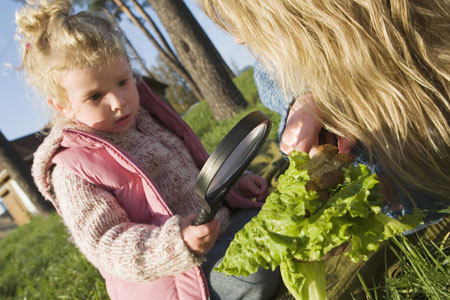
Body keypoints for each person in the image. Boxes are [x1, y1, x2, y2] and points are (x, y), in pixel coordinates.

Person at [17, 1, 280, 299]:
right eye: (95, 96)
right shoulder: (73, 169)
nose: (118, 101)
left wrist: (233, 182)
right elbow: (107, 243)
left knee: (277, 220)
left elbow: (195, 167)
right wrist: (176, 243)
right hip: (180, 274)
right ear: (62, 105)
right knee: (254, 275)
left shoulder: (147, 119)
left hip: (219, 227)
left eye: (122, 81)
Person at [198, 0, 450, 227]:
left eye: (239, 20)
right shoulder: (270, 70)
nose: (238, 40)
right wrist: (309, 97)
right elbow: (270, 72)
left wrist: (377, 195)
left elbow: (423, 188)